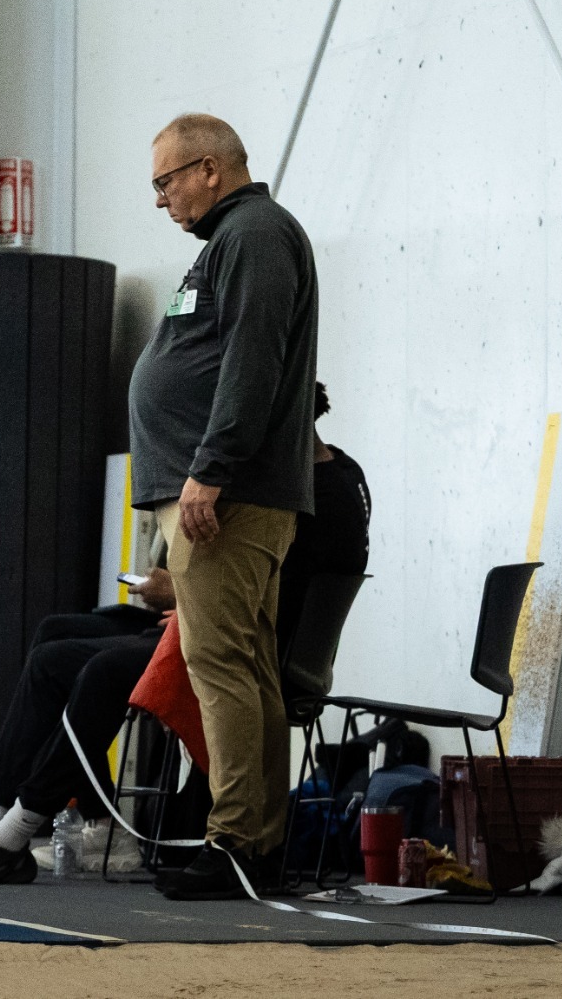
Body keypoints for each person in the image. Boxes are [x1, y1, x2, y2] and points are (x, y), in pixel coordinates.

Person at [0, 382, 368, 886]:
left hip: (254, 646)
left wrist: (181, 594)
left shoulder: (300, 497)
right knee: (56, 631)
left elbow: (265, 595)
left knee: (85, 666)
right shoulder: (336, 472)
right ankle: (42, 809)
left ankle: (17, 820)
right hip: (220, 614)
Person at [128, 113, 319, 901]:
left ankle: (236, 838)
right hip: (222, 492)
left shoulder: (256, 235)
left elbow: (253, 359)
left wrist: (209, 469)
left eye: (166, 182)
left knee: (221, 667)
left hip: (226, 496)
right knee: (243, 665)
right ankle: (257, 840)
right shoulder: (233, 242)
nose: (163, 199)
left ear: (210, 169)